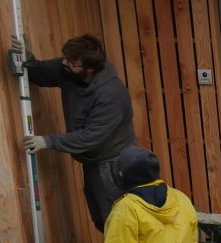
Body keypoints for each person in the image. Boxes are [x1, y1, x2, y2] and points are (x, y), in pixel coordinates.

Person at [12, 34, 136, 232]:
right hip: (92, 160)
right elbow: (41, 73)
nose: (64, 63)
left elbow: (90, 136)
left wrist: (47, 141)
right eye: (65, 58)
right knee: (101, 218)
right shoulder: (69, 71)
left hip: (113, 163)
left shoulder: (111, 94)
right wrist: (27, 58)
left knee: (117, 222)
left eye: (72, 62)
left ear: (89, 68)